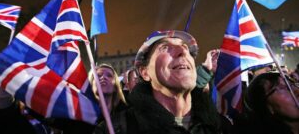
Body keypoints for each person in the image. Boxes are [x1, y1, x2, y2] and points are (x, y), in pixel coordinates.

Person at [93, 30, 231, 134]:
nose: (182, 51)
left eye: (185, 48)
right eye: (164, 48)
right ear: (145, 73)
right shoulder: (115, 129)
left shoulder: (221, 127)